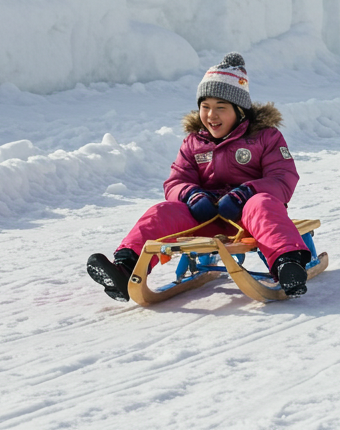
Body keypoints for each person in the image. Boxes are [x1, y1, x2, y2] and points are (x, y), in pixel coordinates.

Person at [85, 53, 314, 302]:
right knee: (161, 212)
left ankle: (287, 265)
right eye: (205, 107)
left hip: (247, 216)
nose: (211, 116)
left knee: (263, 204)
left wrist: (246, 193)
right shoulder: (195, 142)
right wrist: (190, 194)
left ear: (240, 111)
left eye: (220, 108)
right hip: (203, 216)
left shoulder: (265, 137)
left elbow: (283, 177)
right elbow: (175, 181)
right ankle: (125, 267)